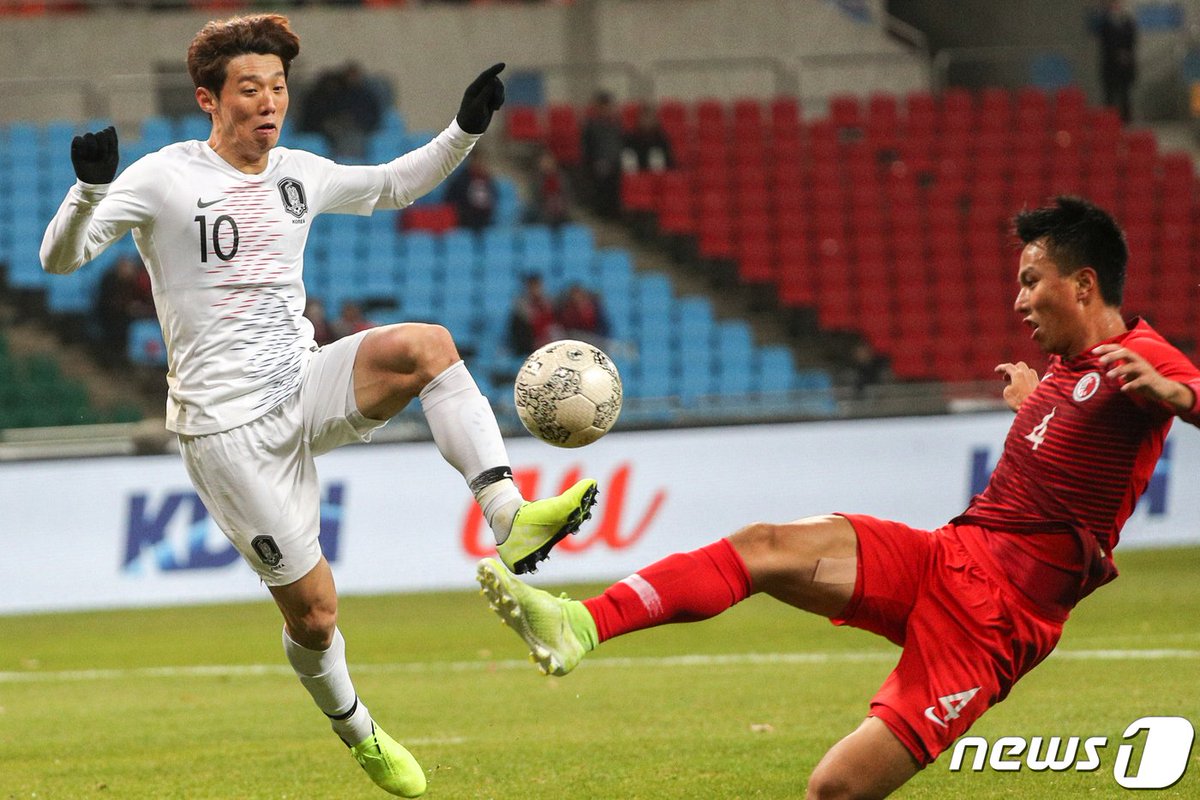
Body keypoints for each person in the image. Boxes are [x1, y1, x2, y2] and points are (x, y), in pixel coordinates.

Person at [41, 14, 598, 798]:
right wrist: (89, 188)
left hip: (302, 384)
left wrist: (466, 129)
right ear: (208, 99)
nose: (269, 103)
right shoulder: (166, 177)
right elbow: (58, 257)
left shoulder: (298, 173)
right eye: (249, 90)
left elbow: (396, 181)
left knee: (427, 345)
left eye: (278, 87)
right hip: (225, 431)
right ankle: (361, 735)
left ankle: (509, 513)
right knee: (316, 617)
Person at [477, 196, 1200, 798]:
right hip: (945, 557)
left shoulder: (1139, 359)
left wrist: (1175, 393)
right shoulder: (1064, 368)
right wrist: (1029, 402)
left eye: (1031, 279)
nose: (1018, 298)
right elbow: (1069, 460)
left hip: (995, 623)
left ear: (1084, 283)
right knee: (762, 545)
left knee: (835, 790)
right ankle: (581, 626)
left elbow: (1177, 397)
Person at [299, 60, 383, 159]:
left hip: (359, 129)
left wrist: (357, 122)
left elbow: (373, 116)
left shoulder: (367, 95)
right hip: (325, 130)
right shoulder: (328, 95)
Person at [94, 253, 154, 366]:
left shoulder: (135, 282)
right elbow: (106, 305)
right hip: (109, 318)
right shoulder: (110, 280)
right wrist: (127, 307)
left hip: (127, 317)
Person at [580, 90, 624, 219]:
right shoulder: (591, 125)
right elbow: (588, 148)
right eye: (604, 106)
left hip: (616, 163)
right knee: (602, 183)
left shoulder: (617, 124)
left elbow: (620, 143)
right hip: (599, 164)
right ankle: (602, 213)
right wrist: (595, 163)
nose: (607, 109)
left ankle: (615, 214)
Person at [1093, 0, 1138, 123]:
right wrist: (1117, 54)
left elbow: (1132, 40)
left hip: (1125, 66)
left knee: (1125, 95)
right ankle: (1110, 122)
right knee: (1110, 96)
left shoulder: (1128, 22)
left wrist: (1125, 54)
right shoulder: (1105, 24)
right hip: (1110, 66)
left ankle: (1126, 121)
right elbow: (1106, 43)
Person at [443, 148, 498, 231]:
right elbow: (450, 200)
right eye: (478, 160)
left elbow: (493, 198)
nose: (480, 163)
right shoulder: (460, 180)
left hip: (485, 222)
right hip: (464, 224)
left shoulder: (487, 180)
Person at [507, 273, 560, 355]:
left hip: (548, 338)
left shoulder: (548, 301)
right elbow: (527, 323)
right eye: (532, 286)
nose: (535, 289)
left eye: (537, 286)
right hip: (528, 342)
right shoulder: (520, 305)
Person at [524, 147, 572, 228]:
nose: (547, 164)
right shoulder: (536, 180)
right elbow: (535, 200)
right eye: (543, 162)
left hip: (560, 211)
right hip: (542, 212)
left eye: (549, 161)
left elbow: (567, 197)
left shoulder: (561, 178)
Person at [621, 105, 673, 173]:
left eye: (650, 118)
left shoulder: (661, 138)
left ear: (655, 120)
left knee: (656, 154)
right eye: (644, 118)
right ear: (639, 120)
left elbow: (669, 161)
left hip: (658, 175)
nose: (647, 121)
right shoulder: (631, 138)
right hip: (637, 174)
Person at [556, 283, 609, 347]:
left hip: (593, 339)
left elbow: (604, 328)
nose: (577, 298)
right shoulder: (567, 310)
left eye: (580, 295)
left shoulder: (594, 309)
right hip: (573, 339)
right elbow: (566, 328)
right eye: (575, 296)